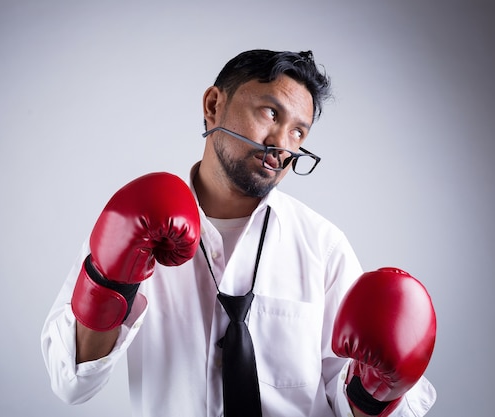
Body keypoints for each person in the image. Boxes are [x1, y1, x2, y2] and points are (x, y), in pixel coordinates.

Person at [41, 49, 437, 417]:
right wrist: (111, 281)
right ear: (213, 105)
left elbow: (347, 396)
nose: (282, 144)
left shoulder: (323, 246)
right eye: (270, 112)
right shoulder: (135, 222)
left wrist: (376, 391)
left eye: (300, 132)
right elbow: (71, 382)